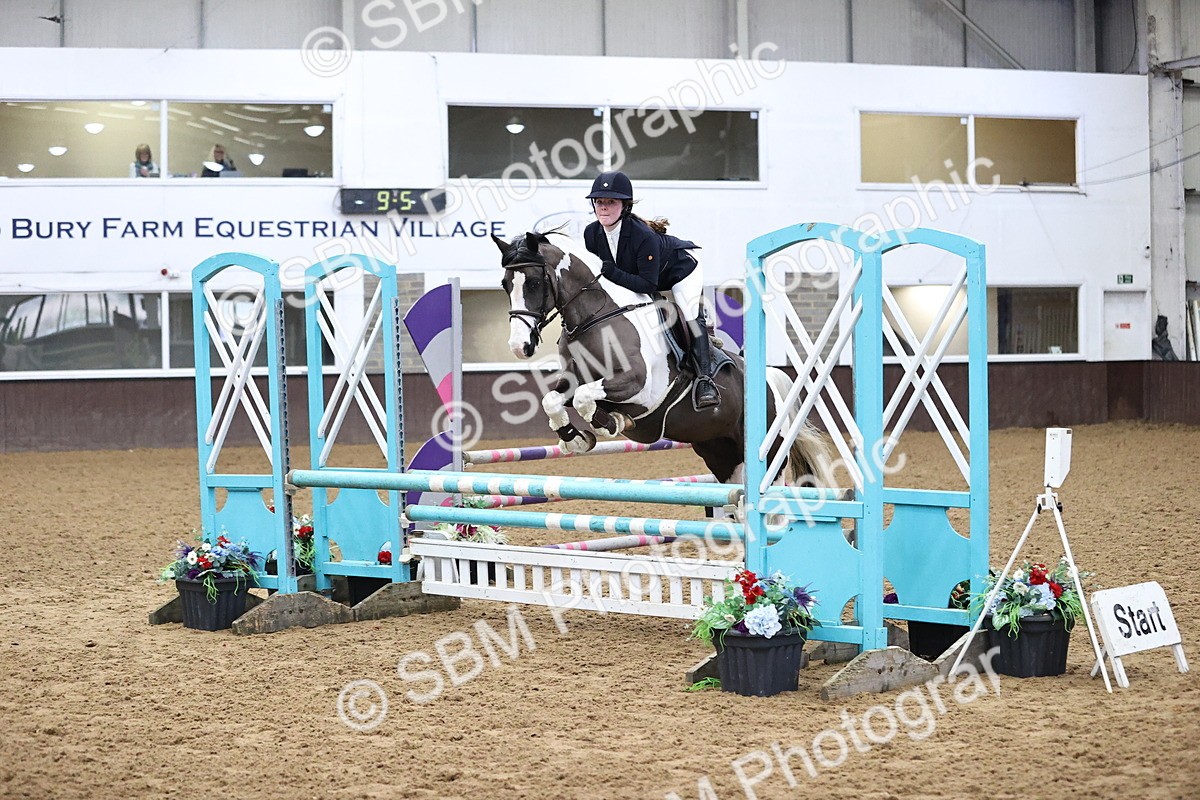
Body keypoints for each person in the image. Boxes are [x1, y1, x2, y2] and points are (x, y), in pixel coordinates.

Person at [583, 170, 720, 410]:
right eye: (599, 201)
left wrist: (612, 272)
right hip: (643, 275)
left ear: (625, 206)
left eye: (611, 202)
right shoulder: (591, 234)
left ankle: (705, 380)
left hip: (680, 270)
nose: (603, 207)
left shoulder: (642, 236)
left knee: (689, 316)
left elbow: (647, 285)